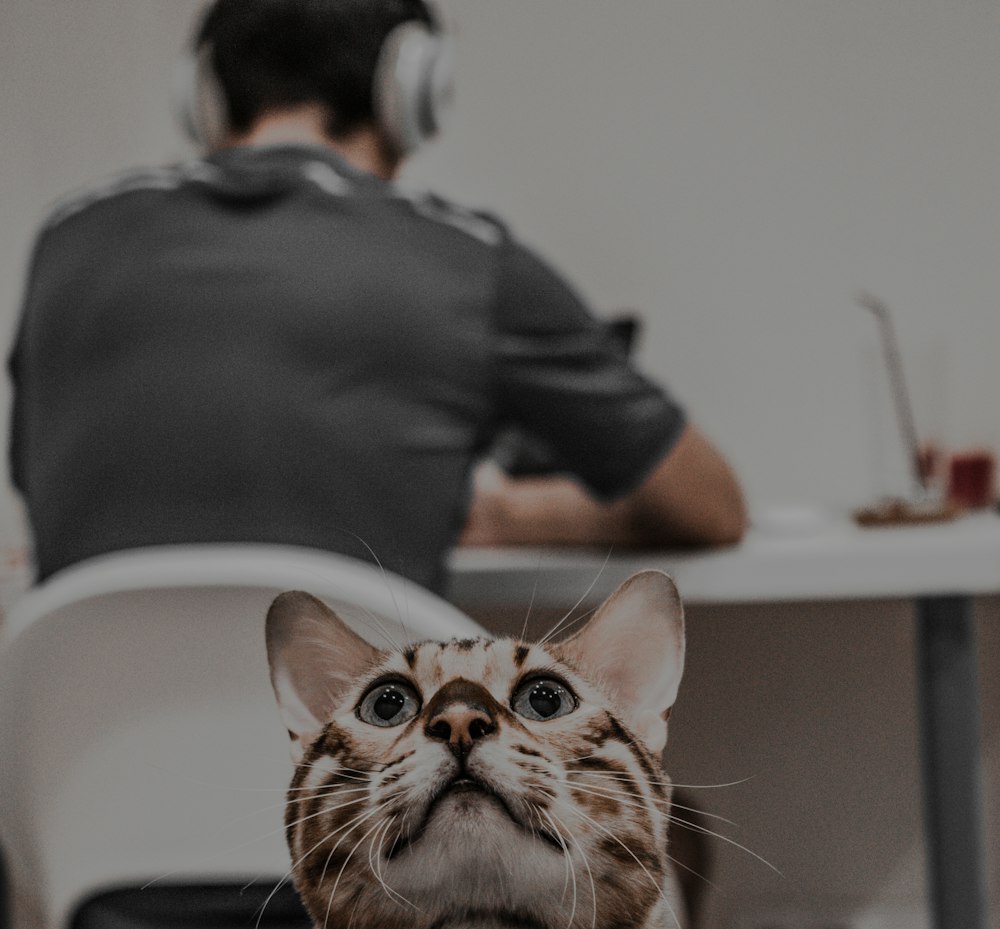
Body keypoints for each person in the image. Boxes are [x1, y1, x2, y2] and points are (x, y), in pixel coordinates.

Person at [7, 0, 745, 595]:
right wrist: (503, 513)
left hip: (98, 775)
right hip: (355, 778)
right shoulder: (467, 263)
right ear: (413, 93)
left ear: (203, 98)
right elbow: (709, 506)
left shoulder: (67, 244)